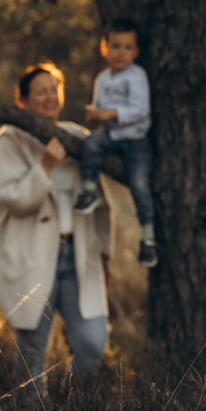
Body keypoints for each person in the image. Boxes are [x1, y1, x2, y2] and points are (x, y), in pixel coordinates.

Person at [0, 63, 111, 401]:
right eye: (41, 91)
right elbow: (14, 200)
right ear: (23, 100)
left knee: (92, 343)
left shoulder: (77, 137)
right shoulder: (11, 142)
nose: (50, 96)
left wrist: (105, 252)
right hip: (34, 256)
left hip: (79, 256)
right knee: (33, 349)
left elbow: (102, 203)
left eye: (55, 89)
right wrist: (45, 168)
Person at [74, 18, 157, 268]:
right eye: (116, 46)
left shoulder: (137, 76)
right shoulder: (103, 79)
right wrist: (95, 114)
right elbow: (98, 108)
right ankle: (89, 191)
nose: (121, 52)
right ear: (105, 48)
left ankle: (148, 237)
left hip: (135, 140)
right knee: (91, 144)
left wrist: (111, 113)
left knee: (140, 184)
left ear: (136, 52)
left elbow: (141, 110)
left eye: (127, 47)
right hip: (110, 136)